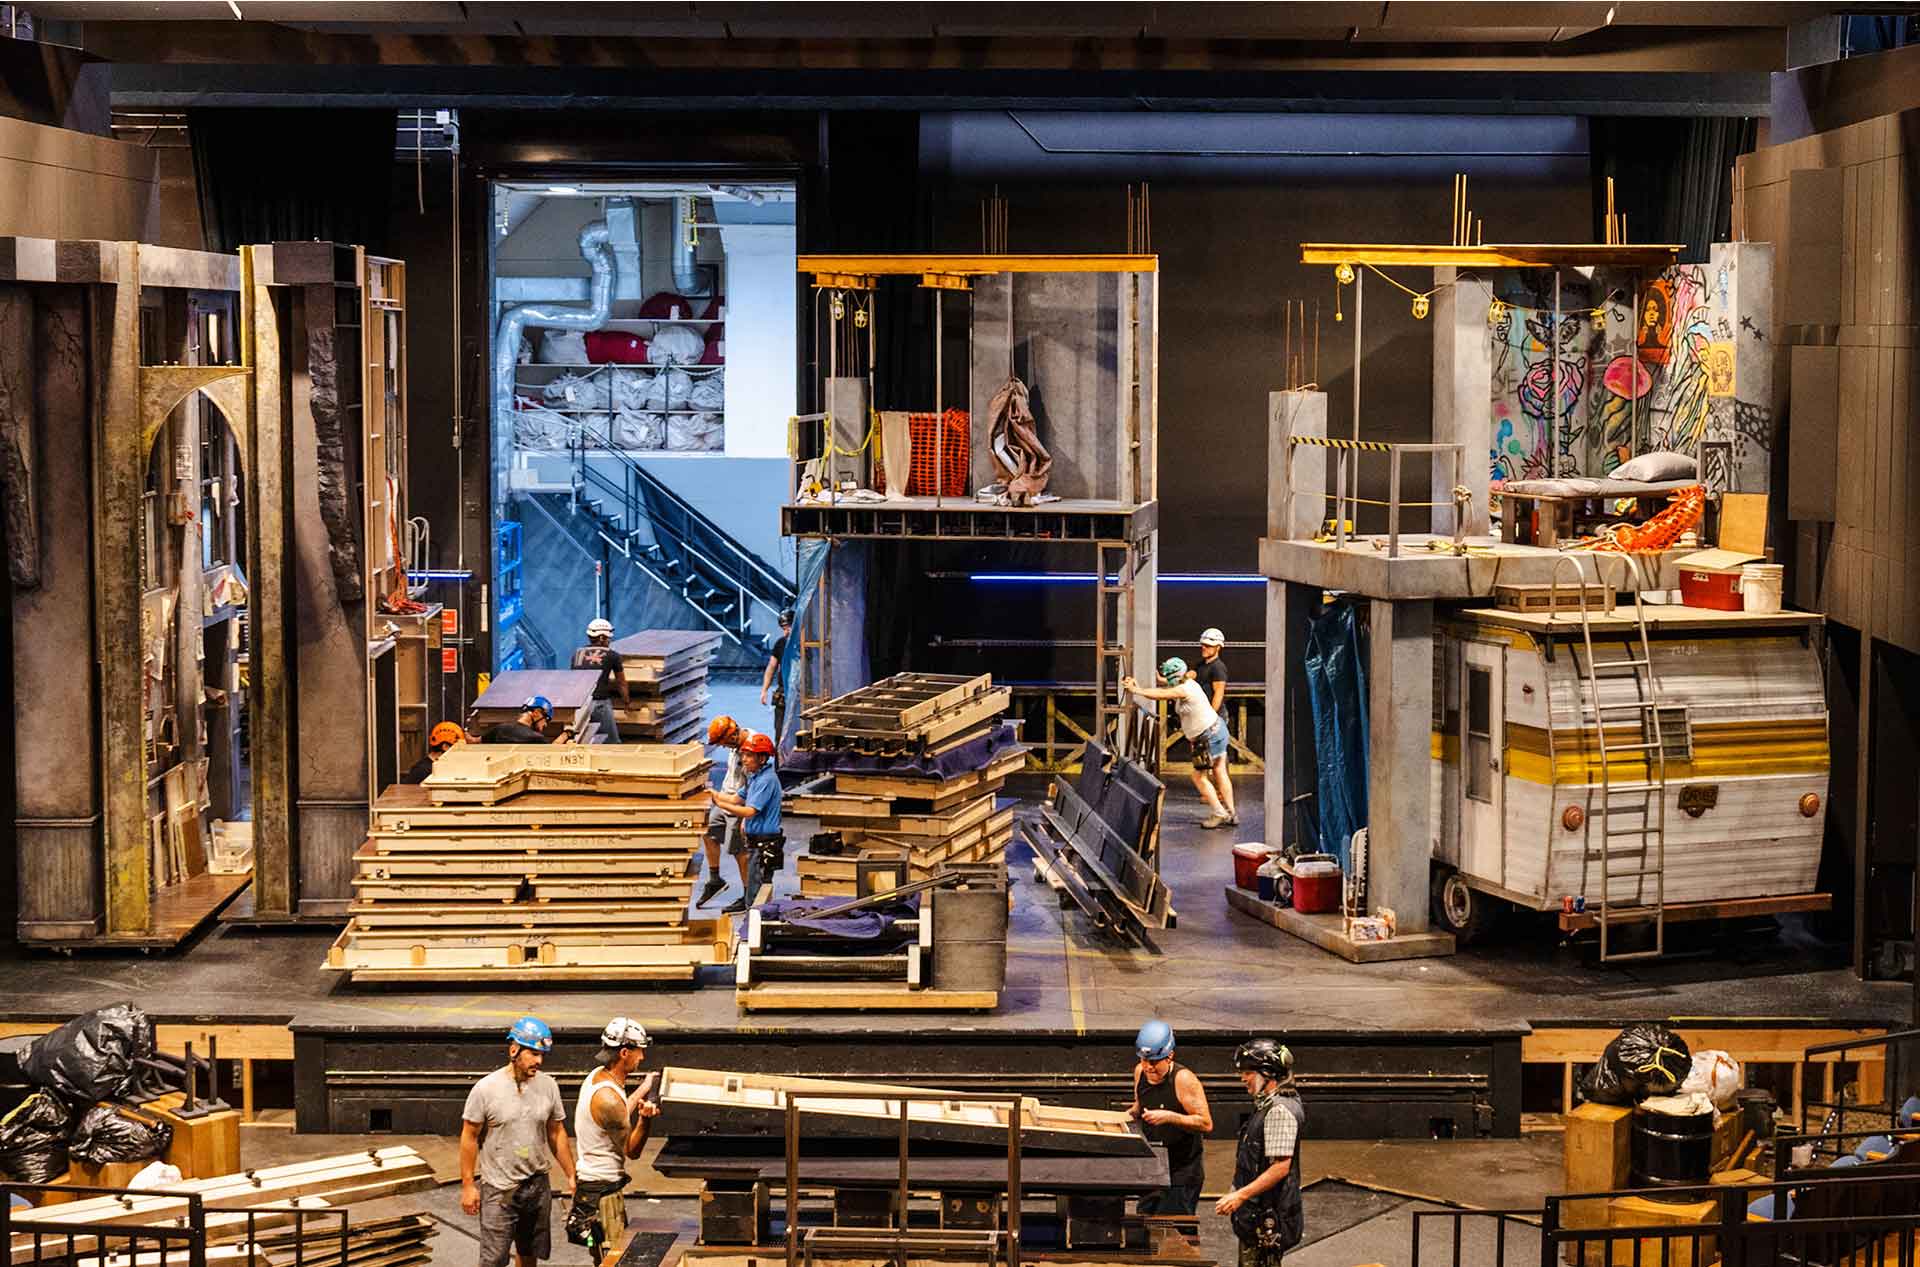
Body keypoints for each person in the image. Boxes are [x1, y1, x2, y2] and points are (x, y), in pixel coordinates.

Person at [460, 1017, 578, 1267]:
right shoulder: (486, 1089)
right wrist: (468, 1185)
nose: (539, 1061)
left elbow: (556, 1132)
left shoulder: (548, 1087)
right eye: (534, 1054)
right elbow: (469, 1136)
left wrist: (571, 1175)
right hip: (499, 1189)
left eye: (542, 1055)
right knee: (494, 1260)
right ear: (514, 1050)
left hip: (537, 1186)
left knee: (529, 1252)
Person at [567, 1018, 659, 1264]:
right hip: (603, 1196)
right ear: (625, 1052)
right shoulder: (608, 1100)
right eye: (639, 1051)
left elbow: (618, 1111)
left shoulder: (599, 1076)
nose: (642, 1057)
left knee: (602, 1257)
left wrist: (644, 1086)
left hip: (591, 1190)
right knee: (613, 1260)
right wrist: (645, 1119)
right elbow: (632, 1150)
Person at [1214, 1039, 1304, 1267]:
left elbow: (1280, 1168)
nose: (1243, 1078)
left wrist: (1240, 1195)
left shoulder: (1279, 1111)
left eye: (1248, 1073)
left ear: (1267, 1074)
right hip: (1256, 1216)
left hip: (1266, 1220)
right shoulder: (1268, 1105)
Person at [1122, 659, 1237, 828]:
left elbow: (1161, 694)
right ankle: (1232, 812)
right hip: (1217, 729)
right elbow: (1167, 685)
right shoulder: (1188, 682)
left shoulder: (1184, 689)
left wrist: (1135, 690)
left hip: (1207, 737)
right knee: (1220, 771)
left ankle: (1220, 813)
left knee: (1198, 777)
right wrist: (1152, 680)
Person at [1126, 1020, 1211, 1215]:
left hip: (1181, 1171)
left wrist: (1171, 1117)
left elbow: (1206, 1123)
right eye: (1144, 1060)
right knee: (1145, 1223)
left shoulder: (1184, 1080)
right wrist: (1124, 1117)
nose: (1148, 1067)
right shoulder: (1140, 1072)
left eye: (1154, 1062)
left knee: (1175, 1228)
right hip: (1153, 1164)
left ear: (1170, 1056)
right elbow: (1140, 1106)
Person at [710, 731, 781, 914]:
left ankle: (755, 930)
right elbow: (735, 799)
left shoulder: (766, 780)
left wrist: (720, 803)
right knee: (753, 889)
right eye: (743, 755)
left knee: (757, 895)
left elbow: (750, 811)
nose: (744, 759)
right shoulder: (754, 777)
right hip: (754, 842)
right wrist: (713, 794)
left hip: (763, 843)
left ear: (762, 758)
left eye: (749, 755)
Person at [698, 716, 753, 908]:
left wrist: (747, 816)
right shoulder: (734, 745)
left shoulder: (752, 748)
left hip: (738, 805)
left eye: (723, 743)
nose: (723, 747)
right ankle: (715, 880)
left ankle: (748, 896)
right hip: (724, 800)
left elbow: (755, 786)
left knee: (740, 851)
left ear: (731, 735)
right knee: (708, 832)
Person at [571, 618, 629, 744]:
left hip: (579, 704)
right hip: (599, 703)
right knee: (612, 742)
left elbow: (573, 679)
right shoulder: (612, 655)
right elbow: (621, 682)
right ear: (602, 637)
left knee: (584, 740)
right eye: (608, 638)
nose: (609, 641)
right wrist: (626, 702)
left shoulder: (577, 654)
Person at [759, 609, 793, 738]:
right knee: (780, 732)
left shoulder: (806, 643)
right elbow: (771, 667)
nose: (786, 631)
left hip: (801, 693)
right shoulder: (781, 643)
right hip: (784, 691)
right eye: (783, 628)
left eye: (788, 627)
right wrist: (764, 690)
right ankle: (780, 758)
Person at [481, 697, 559, 745]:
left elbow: (473, 741)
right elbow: (554, 752)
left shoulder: (499, 729)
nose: (545, 725)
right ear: (536, 713)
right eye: (546, 719)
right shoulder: (537, 739)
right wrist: (566, 734)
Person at [1190, 628, 1229, 713]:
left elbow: (1218, 694)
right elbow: (1186, 679)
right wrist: (1162, 680)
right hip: (1201, 713)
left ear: (1218, 647)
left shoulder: (1218, 667)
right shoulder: (1200, 665)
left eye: (1208, 646)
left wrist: (1211, 716)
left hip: (1213, 716)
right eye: (1203, 645)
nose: (1204, 648)